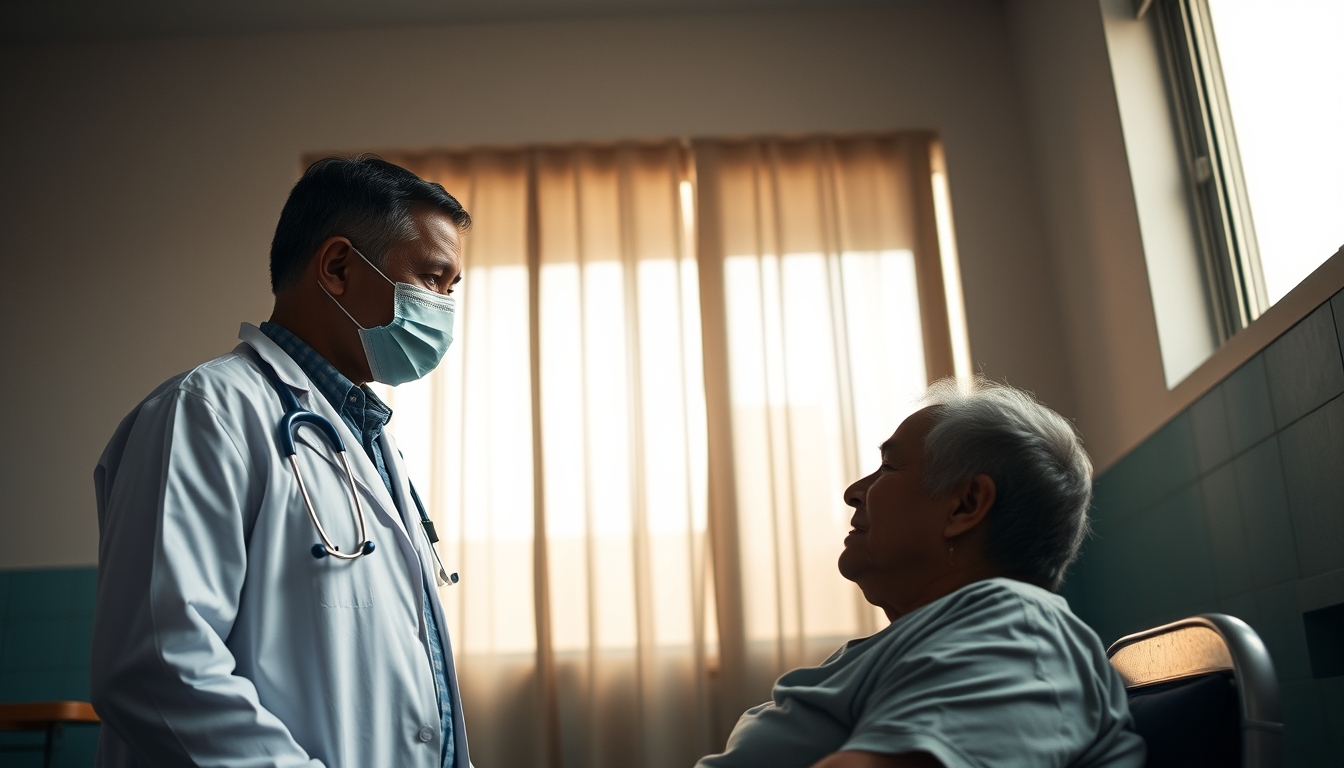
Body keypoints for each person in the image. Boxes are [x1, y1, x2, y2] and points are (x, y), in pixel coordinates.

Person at [91, 156, 472, 768]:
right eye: (431, 279)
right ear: (339, 267)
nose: (444, 308)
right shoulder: (204, 414)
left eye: (452, 289)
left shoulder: (365, 434)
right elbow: (158, 666)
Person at [696, 379, 1146, 768]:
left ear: (965, 506)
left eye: (889, 466)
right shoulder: (945, 638)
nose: (854, 492)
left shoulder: (1016, 636)